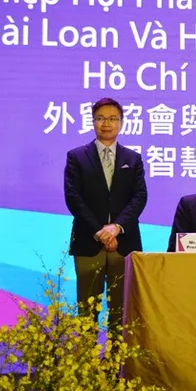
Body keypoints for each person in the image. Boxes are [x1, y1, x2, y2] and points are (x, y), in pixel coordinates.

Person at [64, 97, 148, 328]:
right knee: (87, 311)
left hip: (124, 243)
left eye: (112, 118)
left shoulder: (133, 159)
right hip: (88, 242)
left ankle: (116, 354)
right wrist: (100, 231)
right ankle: (86, 352)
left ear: (121, 123)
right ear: (93, 122)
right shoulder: (77, 157)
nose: (106, 123)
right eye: (100, 118)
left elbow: (140, 197)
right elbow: (73, 198)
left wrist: (116, 228)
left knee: (122, 311)